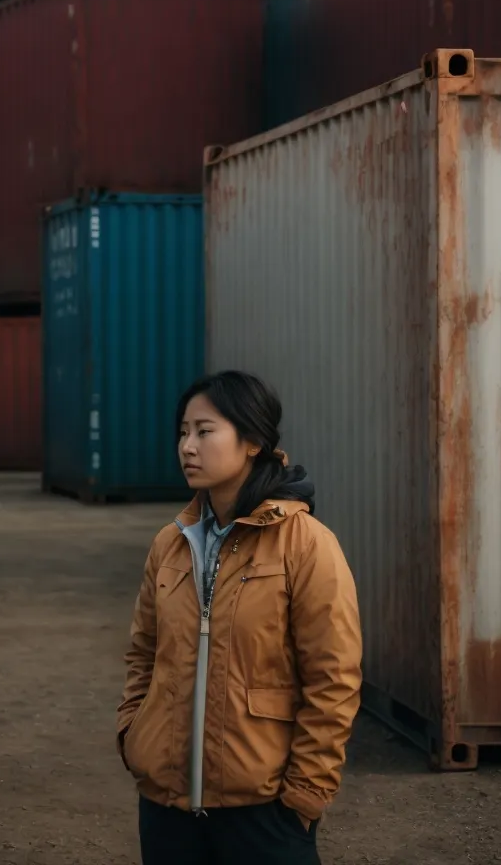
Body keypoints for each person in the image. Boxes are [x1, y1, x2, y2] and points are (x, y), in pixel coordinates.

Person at [117, 371, 363, 865]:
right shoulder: (171, 544)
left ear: (252, 440)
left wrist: (305, 793)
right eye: (183, 432)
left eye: (205, 431)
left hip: (265, 811)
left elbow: (333, 679)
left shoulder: (306, 544)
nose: (187, 446)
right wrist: (133, 733)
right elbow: (144, 652)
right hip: (166, 806)